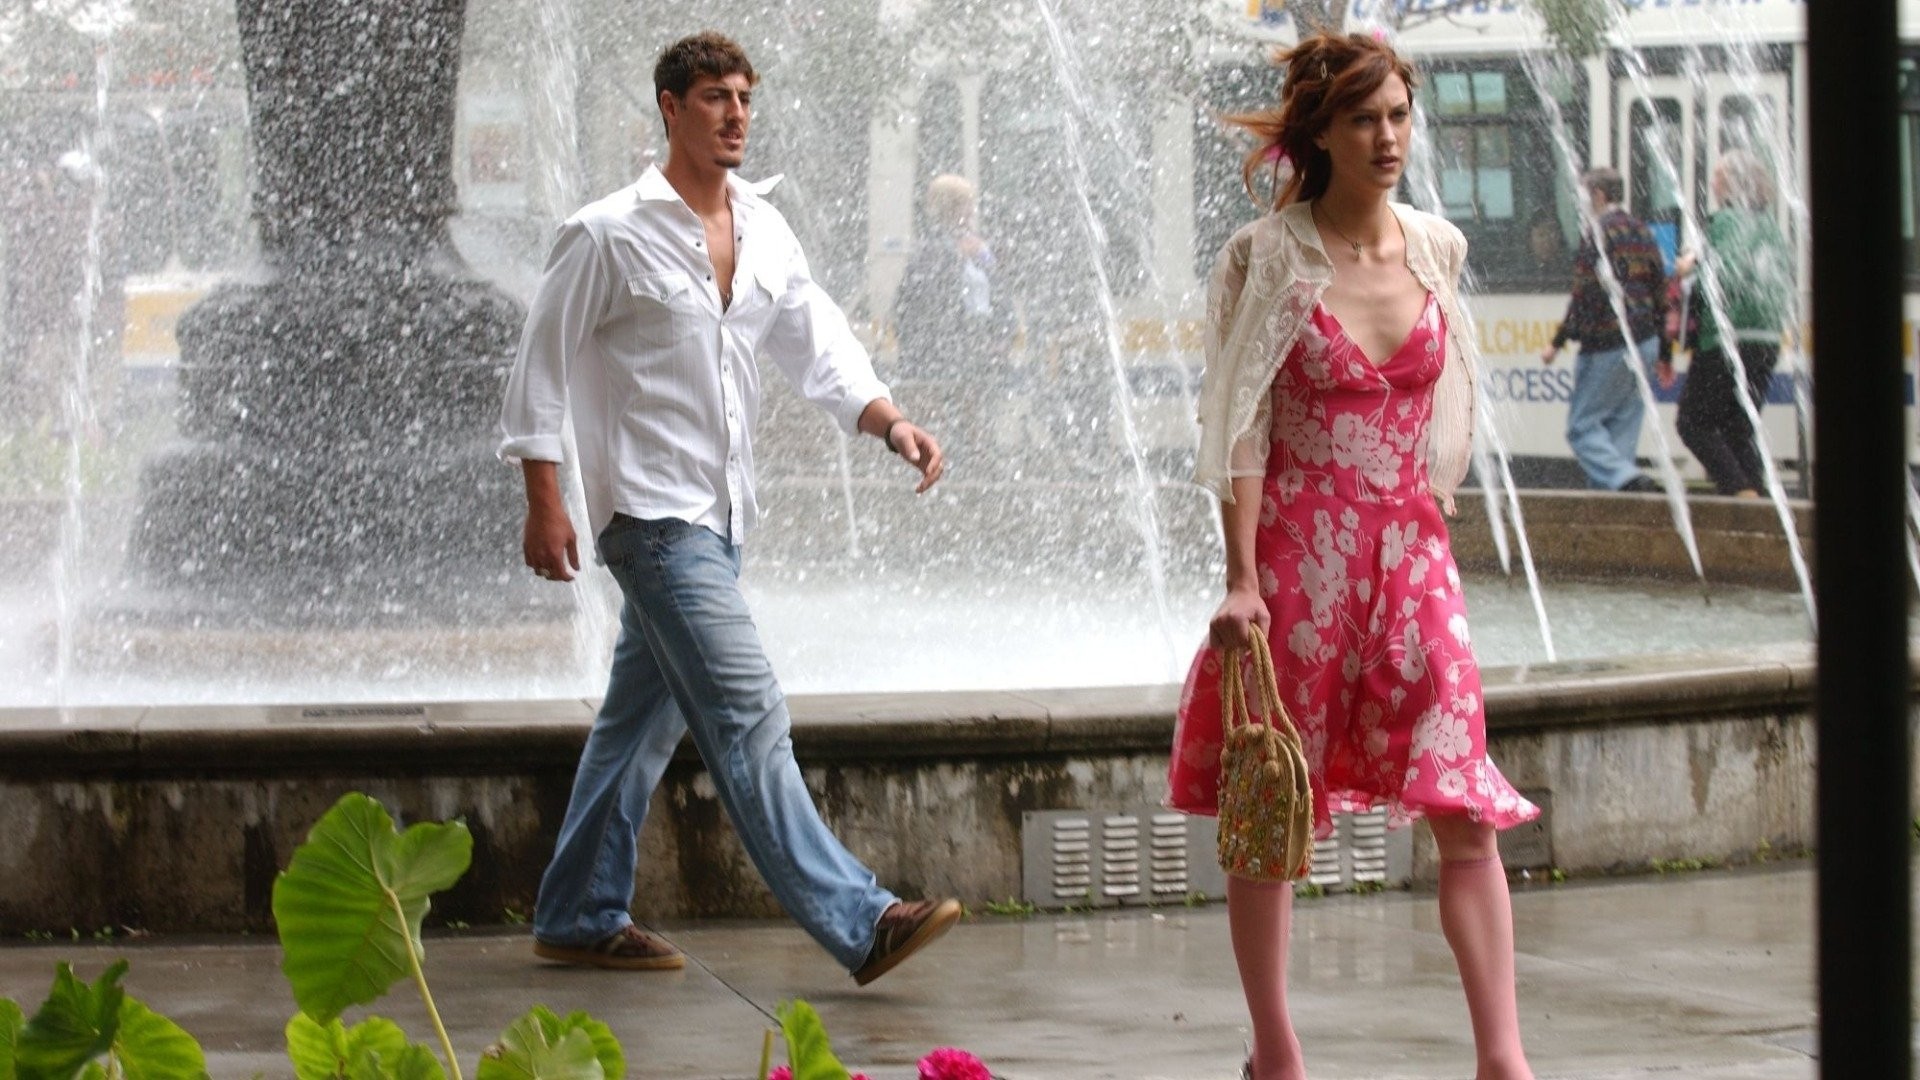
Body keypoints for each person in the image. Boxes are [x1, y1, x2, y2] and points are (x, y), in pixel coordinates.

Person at [498, 31, 960, 986]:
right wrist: (545, 500)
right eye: (715, 96)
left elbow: (816, 342)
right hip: (651, 520)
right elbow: (539, 366)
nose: (736, 113)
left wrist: (890, 422)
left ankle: (577, 913)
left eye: (745, 96)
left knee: (636, 729)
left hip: (721, 519)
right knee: (749, 713)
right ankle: (862, 919)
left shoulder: (765, 228)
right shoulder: (606, 233)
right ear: (671, 108)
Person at [1166, 33, 1540, 1080]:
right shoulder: (1264, 256)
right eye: (1364, 118)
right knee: (1272, 806)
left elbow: (1446, 402)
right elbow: (1239, 423)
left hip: (1413, 558)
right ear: (1321, 133)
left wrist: (1431, 502)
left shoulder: (1437, 248)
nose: (1388, 137)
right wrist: (1240, 578)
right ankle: (1276, 1051)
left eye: (1399, 116)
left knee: (1463, 802)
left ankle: (1504, 1060)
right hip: (1298, 563)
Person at [1668, 150, 1793, 497]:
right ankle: (1762, 505)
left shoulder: (1726, 221)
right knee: (1738, 428)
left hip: (1728, 337)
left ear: (1732, 182)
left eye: (1718, 176)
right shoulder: (1770, 226)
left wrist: (1691, 268)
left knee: (1692, 422)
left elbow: (1726, 274)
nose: (1712, 182)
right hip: (1767, 339)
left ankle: (1740, 492)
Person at [1539, 167, 1666, 493]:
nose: (1579, 202)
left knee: (1581, 427)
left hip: (1609, 343)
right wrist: (1663, 351)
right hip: (1646, 341)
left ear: (1598, 195)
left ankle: (1626, 479)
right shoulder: (1641, 230)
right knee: (1621, 429)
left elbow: (1585, 293)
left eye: (1583, 194)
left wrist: (1557, 342)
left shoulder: (1597, 233)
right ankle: (1619, 500)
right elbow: (1660, 290)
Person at [891, 174, 1018, 464]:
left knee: (977, 407)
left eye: (970, 205)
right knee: (949, 408)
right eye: (964, 205)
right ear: (948, 208)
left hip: (977, 345)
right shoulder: (932, 248)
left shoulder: (977, 246)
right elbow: (919, 298)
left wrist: (1003, 333)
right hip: (944, 347)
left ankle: (973, 457)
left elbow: (999, 292)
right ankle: (946, 459)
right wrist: (955, 255)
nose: (971, 212)